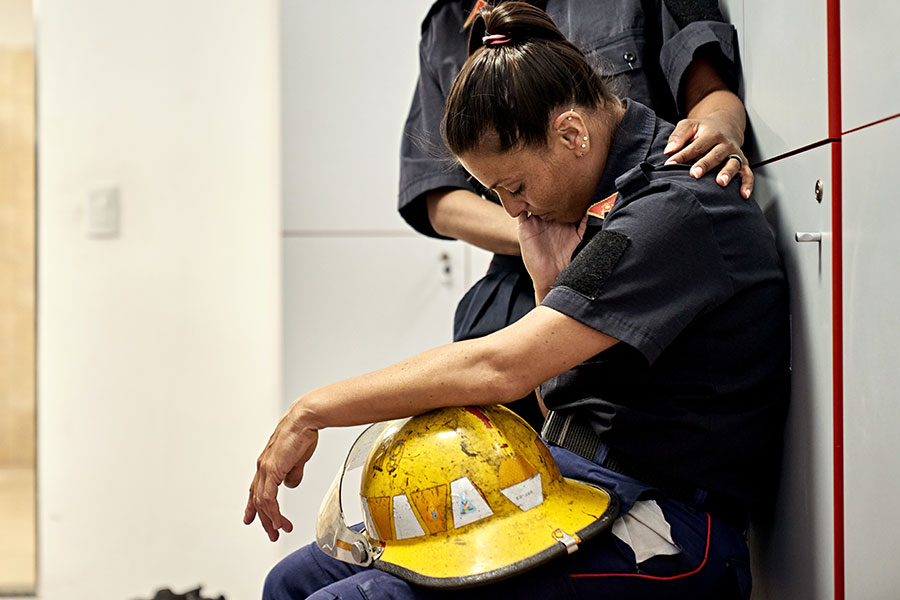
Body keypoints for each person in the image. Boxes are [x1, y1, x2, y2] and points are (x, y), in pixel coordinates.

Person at [248, 3, 789, 599]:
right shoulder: (609, 204)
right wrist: (544, 280)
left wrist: (313, 409)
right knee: (294, 581)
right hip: (580, 480)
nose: (509, 210)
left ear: (572, 133)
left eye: (514, 186)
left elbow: (500, 367)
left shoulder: (669, 210)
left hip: (672, 526)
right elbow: (551, 397)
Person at [399, 0, 752, 431]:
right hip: (526, 269)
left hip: (637, 261)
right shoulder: (446, 22)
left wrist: (717, 136)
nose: (511, 201)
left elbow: (710, 95)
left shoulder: (673, 210)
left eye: (515, 188)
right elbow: (437, 198)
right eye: (504, 191)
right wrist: (540, 234)